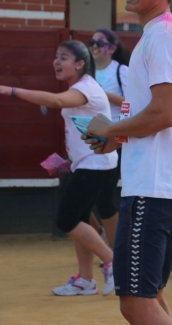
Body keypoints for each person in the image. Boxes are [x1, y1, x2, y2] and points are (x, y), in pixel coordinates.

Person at [86, 0, 172, 325]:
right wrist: (116, 136)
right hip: (161, 183)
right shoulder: (161, 34)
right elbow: (155, 113)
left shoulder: (163, 35)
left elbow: (166, 112)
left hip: (153, 185)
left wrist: (111, 128)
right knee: (151, 295)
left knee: (135, 303)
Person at [0, 40, 117, 296]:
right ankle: (85, 280)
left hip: (94, 166)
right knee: (81, 221)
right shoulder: (81, 88)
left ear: (79, 64)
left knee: (67, 220)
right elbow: (82, 127)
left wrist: (9, 90)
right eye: (56, 57)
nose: (56, 62)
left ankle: (112, 261)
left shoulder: (86, 88)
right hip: (88, 163)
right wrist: (69, 159)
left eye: (63, 57)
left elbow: (54, 100)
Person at [88, 27, 128, 247]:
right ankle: (108, 240)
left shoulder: (121, 71)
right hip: (94, 140)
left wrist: (103, 95)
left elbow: (131, 102)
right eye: (91, 43)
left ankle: (115, 246)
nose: (94, 47)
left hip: (117, 140)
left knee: (107, 195)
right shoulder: (88, 71)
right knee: (94, 196)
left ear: (112, 48)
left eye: (99, 43)